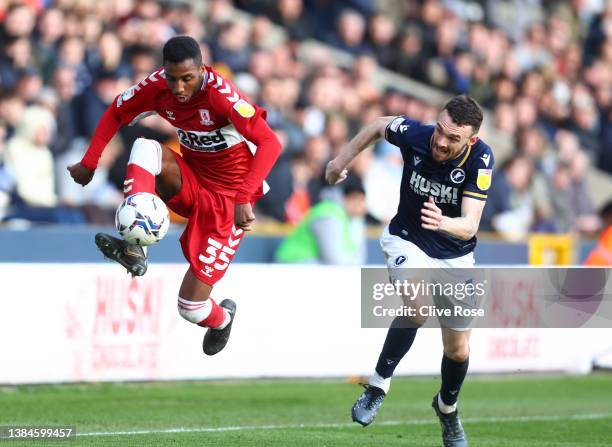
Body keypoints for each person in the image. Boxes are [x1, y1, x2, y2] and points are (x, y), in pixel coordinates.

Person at [67, 36, 281, 356]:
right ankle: (134, 247)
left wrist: (243, 197)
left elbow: (270, 144)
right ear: (163, 70)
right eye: (172, 78)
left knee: (190, 307)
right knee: (145, 147)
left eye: (187, 78)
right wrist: (89, 161)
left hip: (228, 202)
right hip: (192, 180)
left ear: (202, 70)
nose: (179, 88)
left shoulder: (222, 97)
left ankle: (223, 319)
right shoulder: (157, 87)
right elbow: (116, 110)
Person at [326, 95, 494, 447]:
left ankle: (447, 409)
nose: (441, 142)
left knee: (458, 350)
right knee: (418, 308)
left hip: (455, 254)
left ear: (471, 140)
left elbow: (470, 226)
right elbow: (376, 126)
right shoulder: (418, 135)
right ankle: (377, 385)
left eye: (453, 139)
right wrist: (340, 160)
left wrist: (444, 222)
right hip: (407, 239)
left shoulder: (481, 159)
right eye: (440, 130)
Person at [275, 177, 367, 265]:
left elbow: (358, 257)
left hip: (315, 265)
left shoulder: (354, 220)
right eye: (356, 199)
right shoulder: (327, 214)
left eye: (362, 200)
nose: (361, 205)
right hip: (292, 264)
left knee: (370, 277)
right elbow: (333, 259)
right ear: (344, 198)